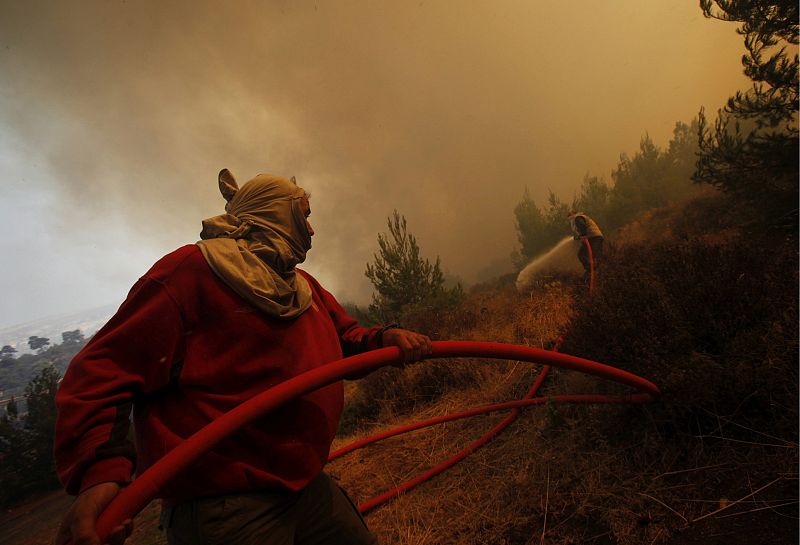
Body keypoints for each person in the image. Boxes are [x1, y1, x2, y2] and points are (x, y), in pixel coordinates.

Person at [54, 169, 432, 545]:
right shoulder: (191, 273)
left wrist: (385, 338)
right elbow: (101, 373)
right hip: (226, 509)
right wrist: (101, 476)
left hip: (304, 486)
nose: (312, 230)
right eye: (304, 214)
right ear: (275, 214)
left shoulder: (302, 286)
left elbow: (346, 339)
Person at [566, 210, 604, 283]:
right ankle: (590, 270)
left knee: (591, 255)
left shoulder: (577, 218)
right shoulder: (577, 219)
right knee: (581, 254)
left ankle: (594, 271)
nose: (568, 215)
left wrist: (583, 235)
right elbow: (582, 230)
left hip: (594, 238)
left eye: (570, 214)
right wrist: (580, 237)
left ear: (574, 213)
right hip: (592, 238)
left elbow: (582, 226)